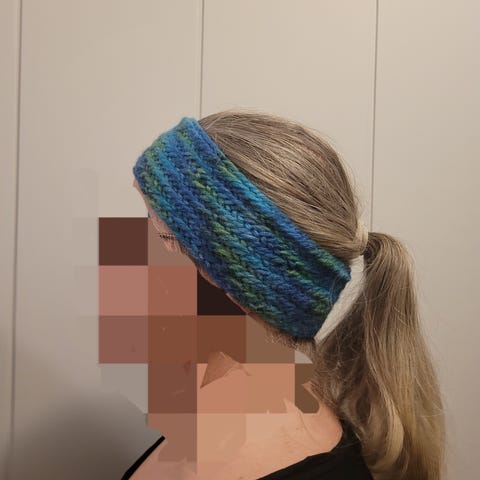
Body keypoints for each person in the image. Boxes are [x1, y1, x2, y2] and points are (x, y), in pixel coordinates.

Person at [125, 110, 446, 479]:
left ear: (235, 277)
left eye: (160, 236)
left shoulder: (254, 457)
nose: (136, 261)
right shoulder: (225, 420)